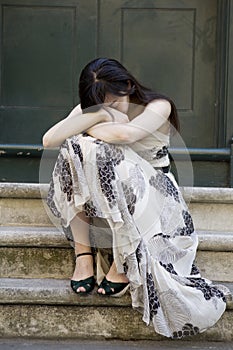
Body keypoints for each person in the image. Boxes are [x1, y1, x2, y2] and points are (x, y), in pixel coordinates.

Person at [43, 58, 227, 339]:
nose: (109, 108)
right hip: (107, 193)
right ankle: (84, 258)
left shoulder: (158, 105)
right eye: (99, 104)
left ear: (127, 86)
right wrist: (99, 115)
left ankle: (123, 263)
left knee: (90, 146)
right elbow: (49, 139)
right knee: (74, 150)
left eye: (114, 102)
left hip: (152, 190)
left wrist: (89, 122)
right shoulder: (95, 108)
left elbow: (126, 134)